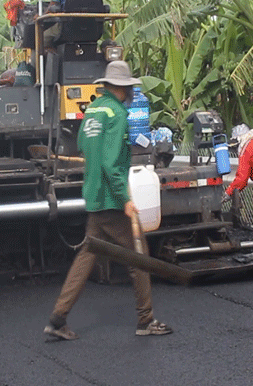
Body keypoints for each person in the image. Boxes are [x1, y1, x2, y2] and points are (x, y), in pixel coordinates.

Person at [44, 61, 172, 341]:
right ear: (123, 88)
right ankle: (146, 319)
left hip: (93, 194)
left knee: (87, 255)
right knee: (138, 256)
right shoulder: (116, 114)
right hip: (112, 199)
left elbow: (84, 146)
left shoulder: (92, 111)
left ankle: (57, 318)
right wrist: (125, 199)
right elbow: (113, 164)